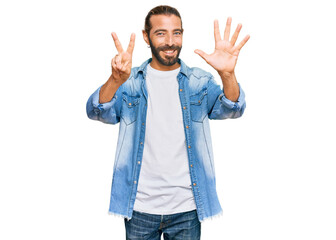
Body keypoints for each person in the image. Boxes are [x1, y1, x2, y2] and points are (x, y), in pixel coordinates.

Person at [86, 5, 249, 240]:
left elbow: (233, 109)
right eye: (161, 33)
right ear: (146, 36)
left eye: (177, 33)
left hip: (187, 207)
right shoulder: (129, 81)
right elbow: (97, 111)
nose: (170, 42)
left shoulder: (198, 81)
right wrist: (114, 80)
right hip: (140, 206)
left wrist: (227, 75)